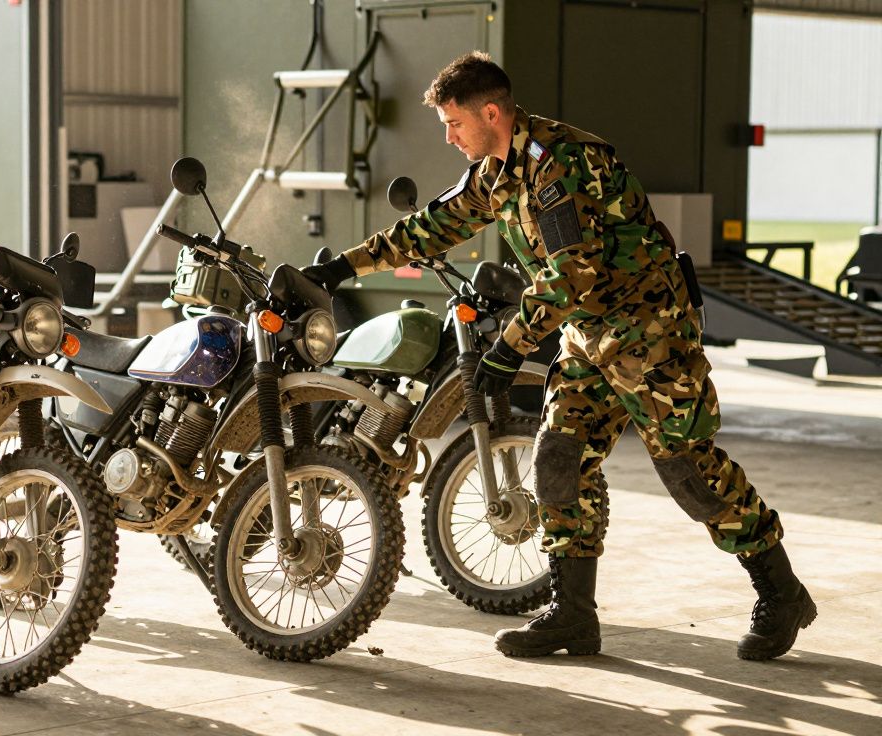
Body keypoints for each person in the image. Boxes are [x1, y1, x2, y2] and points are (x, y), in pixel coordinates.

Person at [301, 51, 815, 661]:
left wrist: (505, 351)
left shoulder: (562, 163)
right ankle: (573, 614)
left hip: (648, 331)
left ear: (492, 111)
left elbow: (570, 273)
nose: (448, 135)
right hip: (587, 337)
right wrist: (343, 266)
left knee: (690, 473)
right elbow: (432, 226)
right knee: (559, 459)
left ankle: (781, 591)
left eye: (454, 122)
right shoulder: (496, 167)